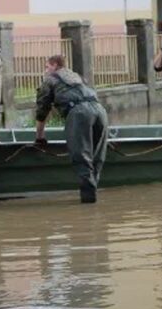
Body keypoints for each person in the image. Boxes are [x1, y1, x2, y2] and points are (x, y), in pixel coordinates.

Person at [34, 54, 108, 204]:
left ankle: (88, 205)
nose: (45, 70)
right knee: (97, 157)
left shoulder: (50, 80)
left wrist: (40, 137)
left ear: (55, 65)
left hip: (79, 113)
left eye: (46, 66)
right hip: (100, 111)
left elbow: (42, 111)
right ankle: (93, 198)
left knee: (82, 157)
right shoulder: (77, 77)